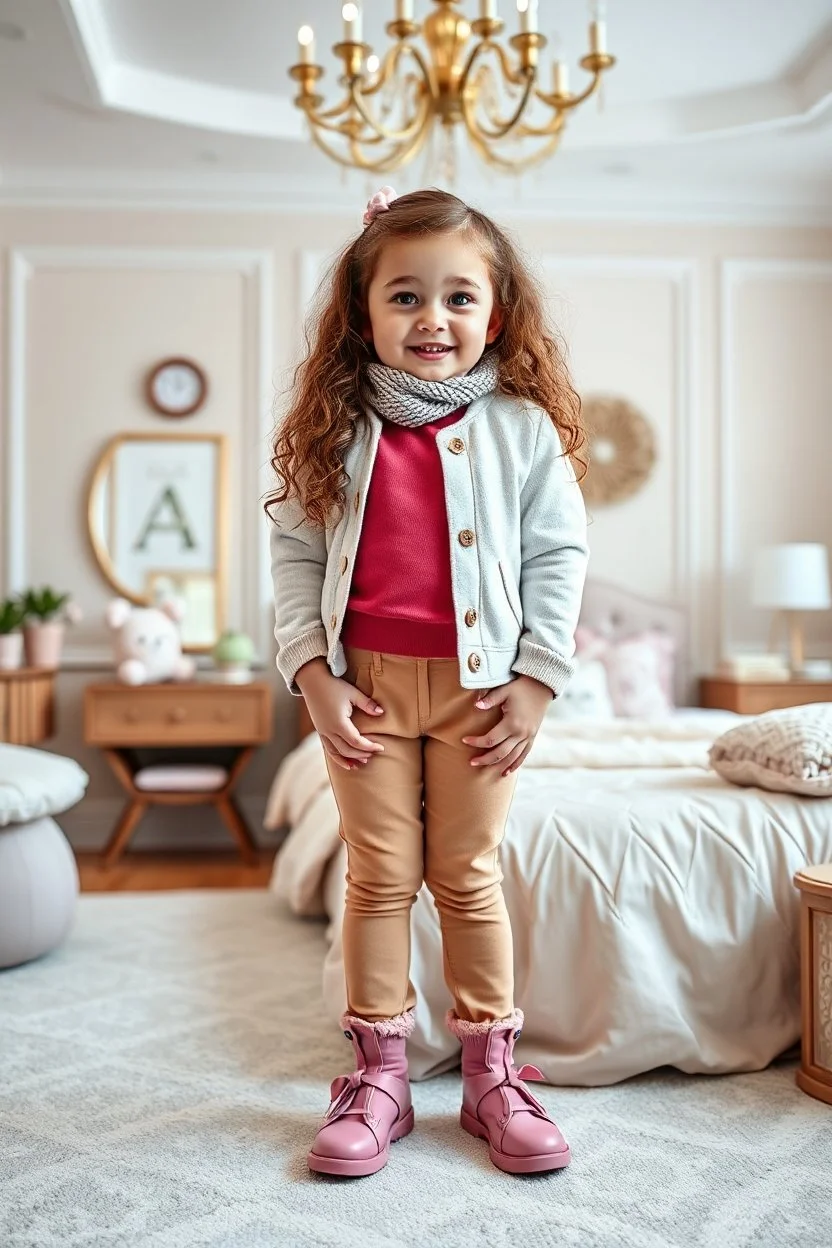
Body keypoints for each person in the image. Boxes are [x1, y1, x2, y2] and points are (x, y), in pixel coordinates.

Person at [266, 186, 589, 1178]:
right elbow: (294, 560)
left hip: (480, 692)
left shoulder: (522, 428)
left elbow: (556, 555)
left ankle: (493, 1074)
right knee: (377, 874)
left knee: (466, 872)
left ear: (494, 314)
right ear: (363, 312)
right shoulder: (334, 427)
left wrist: (537, 679)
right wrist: (310, 675)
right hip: (360, 688)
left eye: (458, 299)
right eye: (404, 297)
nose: (432, 320)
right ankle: (379, 1078)